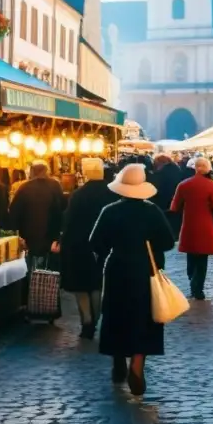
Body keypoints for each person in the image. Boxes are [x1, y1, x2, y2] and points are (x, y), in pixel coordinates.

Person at [89, 163, 175, 396]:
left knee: (117, 313)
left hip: (117, 268)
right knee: (144, 316)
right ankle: (137, 363)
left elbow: (95, 242)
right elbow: (168, 241)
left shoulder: (110, 210)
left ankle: (118, 359)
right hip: (145, 270)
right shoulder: (152, 211)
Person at [59, 158, 118, 339]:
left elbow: (68, 222)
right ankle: (97, 317)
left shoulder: (78, 195)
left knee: (81, 285)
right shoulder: (112, 193)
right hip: (106, 246)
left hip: (79, 245)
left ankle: (87, 321)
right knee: (98, 284)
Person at [170, 156, 213, 299]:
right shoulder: (211, 185)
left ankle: (191, 277)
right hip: (205, 224)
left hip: (189, 224)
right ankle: (198, 288)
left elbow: (174, 206)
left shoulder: (183, 184)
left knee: (191, 253)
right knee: (202, 258)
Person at [10, 162, 65, 262]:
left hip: (29, 239)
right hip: (51, 239)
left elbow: (14, 213)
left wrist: (18, 236)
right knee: (48, 271)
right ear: (46, 172)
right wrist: (58, 238)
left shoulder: (24, 188)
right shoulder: (55, 186)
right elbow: (62, 210)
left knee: (31, 269)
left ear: (32, 172)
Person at [153, 155, 184, 238]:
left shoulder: (161, 172)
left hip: (164, 201)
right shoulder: (177, 169)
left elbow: (158, 187)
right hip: (176, 200)